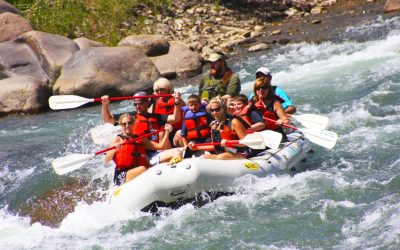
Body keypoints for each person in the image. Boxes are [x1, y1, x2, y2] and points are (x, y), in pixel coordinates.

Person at [104, 114, 178, 185]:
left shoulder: (140, 139)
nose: (127, 126)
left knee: (148, 168)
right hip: (122, 175)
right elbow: (106, 160)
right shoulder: (118, 139)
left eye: (129, 123)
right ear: (121, 125)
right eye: (124, 124)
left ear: (134, 124)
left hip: (139, 171)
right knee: (143, 169)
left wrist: (167, 133)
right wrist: (114, 149)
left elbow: (161, 146)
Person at [150, 77, 185, 147]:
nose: (160, 92)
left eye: (162, 90)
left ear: (169, 89)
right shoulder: (153, 105)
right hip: (163, 135)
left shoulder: (178, 101)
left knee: (179, 133)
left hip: (177, 132)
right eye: (157, 91)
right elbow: (150, 123)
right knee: (161, 133)